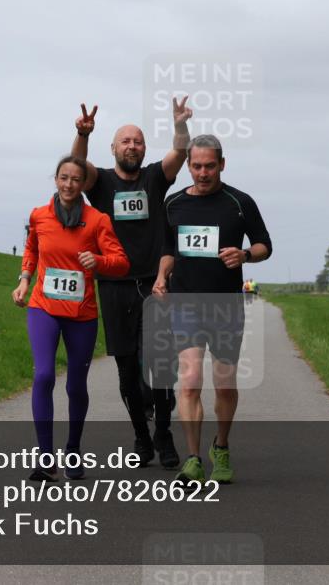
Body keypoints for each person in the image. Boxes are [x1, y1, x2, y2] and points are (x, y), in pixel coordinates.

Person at [71, 98, 192, 468]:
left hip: (153, 285)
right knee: (127, 370)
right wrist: (82, 134)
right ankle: (141, 436)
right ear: (113, 148)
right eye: (125, 141)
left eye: (137, 141)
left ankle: (164, 436)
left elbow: (180, 153)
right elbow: (76, 168)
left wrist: (180, 125)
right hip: (113, 285)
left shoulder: (154, 177)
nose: (132, 146)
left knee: (157, 363)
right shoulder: (102, 182)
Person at [153, 134, 272, 484]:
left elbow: (265, 244)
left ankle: (220, 446)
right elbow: (167, 249)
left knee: (224, 386)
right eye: (196, 166)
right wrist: (162, 276)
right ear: (188, 165)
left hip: (225, 306)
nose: (202, 173)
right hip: (185, 302)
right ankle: (192, 458)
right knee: (189, 381)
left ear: (222, 164)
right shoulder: (173, 204)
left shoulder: (239, 202)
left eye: (209, 166)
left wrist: (245, 254)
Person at [12, 155, 130, 481]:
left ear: (83, 185)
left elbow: (121, 262)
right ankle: (45, 456)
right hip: (43, 307)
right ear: (56, 179)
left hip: (81, 314)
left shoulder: (97, 220)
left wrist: (98, 261)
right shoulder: (39, 216)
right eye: (63, 178)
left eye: (75, 180)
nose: (68, 185)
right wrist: (24, 279)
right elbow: (32, 250)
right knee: (44, 376)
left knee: (76, 385)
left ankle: (73, 449)